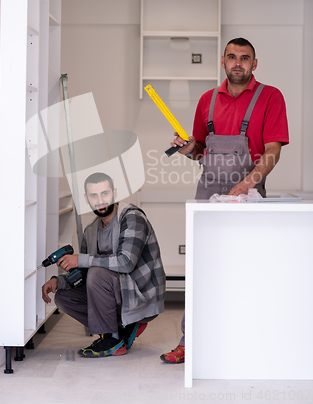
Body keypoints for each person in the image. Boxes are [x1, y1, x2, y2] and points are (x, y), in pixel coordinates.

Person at [160, 37, 289, 363]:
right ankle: (191, 343)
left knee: (249, 270)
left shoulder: (270, 97)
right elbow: (202, 151)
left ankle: (246, 345)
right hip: (208, 195)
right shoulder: (207, 100)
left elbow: (272, 152)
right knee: (202, 270)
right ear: (223, 61)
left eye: (245, 58)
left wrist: (246, 184)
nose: (238, 63)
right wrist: (190, 150)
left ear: (254, 64)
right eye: (232, 57)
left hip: (249, 198)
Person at [42, 172, 166, 358]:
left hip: (141, 295)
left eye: (105, 194)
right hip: (119, 294)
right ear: (86, 199)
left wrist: (80, 259)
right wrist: (58, 281)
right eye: (93, 196)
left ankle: (112, 340)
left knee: (97, 274)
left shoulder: (132, 217)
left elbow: (126, 262)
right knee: (64, 298)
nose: (100, 200)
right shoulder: (91, 230)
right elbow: (84, 274)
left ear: (114, 193)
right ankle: (121, 328)